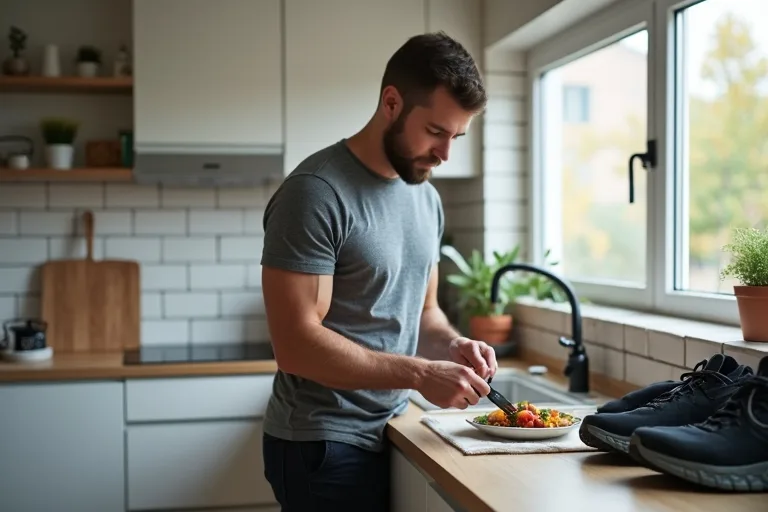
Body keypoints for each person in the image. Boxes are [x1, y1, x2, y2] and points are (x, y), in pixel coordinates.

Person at [260, 31, 496, 511]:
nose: (445, 153)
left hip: (391, 426)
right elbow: (295, 346)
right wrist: (421, 373)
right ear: (391, 103)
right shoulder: (316, 192)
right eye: (435, 131)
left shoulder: (426, 198)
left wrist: (451, 346)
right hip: (322, 443)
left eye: (457, 136)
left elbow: (423, 314)